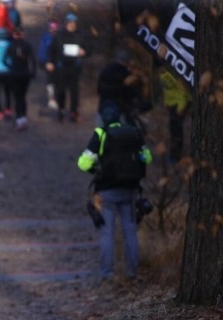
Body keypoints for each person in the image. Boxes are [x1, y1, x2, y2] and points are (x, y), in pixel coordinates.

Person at [77, 101, 153, 281]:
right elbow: (147, 158)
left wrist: (97, 168)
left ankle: (107, 273)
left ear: (103, 118)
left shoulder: (101, 134)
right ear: (119, 117)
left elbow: (83, 163)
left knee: (107, 232)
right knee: (130, 231)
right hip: (130, 190)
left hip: (106, 191)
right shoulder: (134, 132)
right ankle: (132, 272)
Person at [46, 12, 87, 123]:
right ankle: (61, 109)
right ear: (65, 23)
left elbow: (88, 49)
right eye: (69, 22)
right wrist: (50, 62)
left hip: (75, 67)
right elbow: (51, 50)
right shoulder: (59, 35)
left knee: (74, 91)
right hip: (61, 67)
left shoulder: (81, 35)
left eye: (73, 23)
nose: (71, 25)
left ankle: (73, 112)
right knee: (61, 90)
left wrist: (84, 52)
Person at [4, 26, 37, 131]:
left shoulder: (11, 45)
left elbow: (4, 60)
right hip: (25, 74)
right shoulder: (27, 45)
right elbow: (33, 60)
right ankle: (23, 119)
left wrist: (10, 67)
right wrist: (33, 72)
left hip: (14, 74)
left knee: (17, 97)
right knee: (22, 97)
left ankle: (19, 120)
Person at [159, 67, 192, 163]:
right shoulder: (163, 73)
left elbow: (182, 90)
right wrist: (167, 103)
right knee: (173, 128)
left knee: (176, 128)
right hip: (173, 103)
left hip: (180, 102)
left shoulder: (173, 72)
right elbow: (168, 90)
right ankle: (175, 154)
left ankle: (176, 155)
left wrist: (181, 106)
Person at [37, 20, 59, 109]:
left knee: (59, 82)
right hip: (49, 63)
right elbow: (42, 51)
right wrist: (45, 63)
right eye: (51, 28)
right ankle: (51, 99)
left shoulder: (60, 37)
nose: (53, 30)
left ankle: (58, 99)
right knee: (51, 81)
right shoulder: (46, 38)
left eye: (55, 28)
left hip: (60, 63)